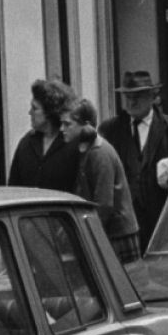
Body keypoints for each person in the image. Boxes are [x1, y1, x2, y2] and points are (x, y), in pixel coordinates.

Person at [102, 71, 168, 247]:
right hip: (125, 226)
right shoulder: (110, 130)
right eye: (128, 97)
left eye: (138, 96)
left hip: (164, 220)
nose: (131, 102)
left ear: (152, 96)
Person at [62, 99, 142, 262]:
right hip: (109, 231)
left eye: (67, 124)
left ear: (86, 125)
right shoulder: (85, 149)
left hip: (118, 234)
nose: (62, 129)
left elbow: (104, 204)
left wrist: (89, 236)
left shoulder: (99, 153)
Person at [7, 78, 82, 192]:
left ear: (49, 112)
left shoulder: (73, 144)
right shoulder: (26, 143)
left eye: (35, 108)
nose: (30, 112)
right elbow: (13, 187)